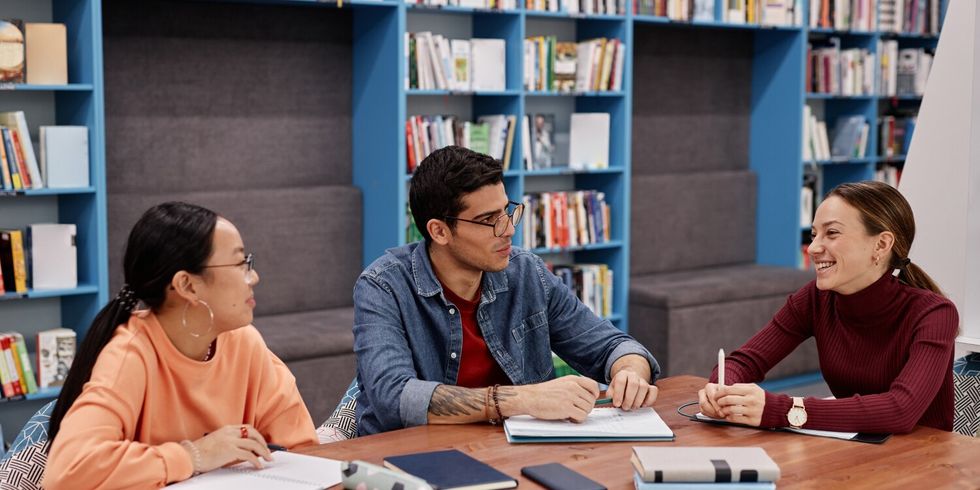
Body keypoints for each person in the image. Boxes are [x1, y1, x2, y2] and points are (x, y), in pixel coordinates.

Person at [353, 145, 661, 436]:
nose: (509, 229)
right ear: (439, 231)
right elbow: (394, 397)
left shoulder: (527, 272)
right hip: (415, 460)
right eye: (489, 220)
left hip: (513, 452)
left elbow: (612, 345)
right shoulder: (383, 287)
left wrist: (630, 371)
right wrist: (523, 400)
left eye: (506, 211)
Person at [44, 202, 318, 489]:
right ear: (187, 285)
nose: (254, 277)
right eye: (240, 264)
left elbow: (303, 451)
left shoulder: (245, 342)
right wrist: (195, 455)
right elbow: (66, 473)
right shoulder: (129, 354)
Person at [699, 181, 958, 434]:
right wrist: (722, 391)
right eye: (814, 235)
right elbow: (744, 360)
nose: (812, 248)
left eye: (831, 233)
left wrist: (783, 410)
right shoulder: (816, 298)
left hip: (924, 465)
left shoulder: (935, 314)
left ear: (881, 245)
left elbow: (901, 410)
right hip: (851, 457)